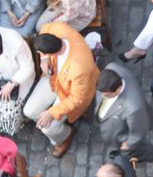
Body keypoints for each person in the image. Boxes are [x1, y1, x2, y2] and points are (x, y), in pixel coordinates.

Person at [24, 23, 99, 157]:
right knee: (28, 111)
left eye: (42, 54)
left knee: (47, 128)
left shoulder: (79, 69)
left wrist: (52, 112)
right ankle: (54, 127)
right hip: (53, 79)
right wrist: (45, 59)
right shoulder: (57, 30)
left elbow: (77, 98)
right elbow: (45, 29)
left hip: (69, 92)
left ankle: (64, 136)